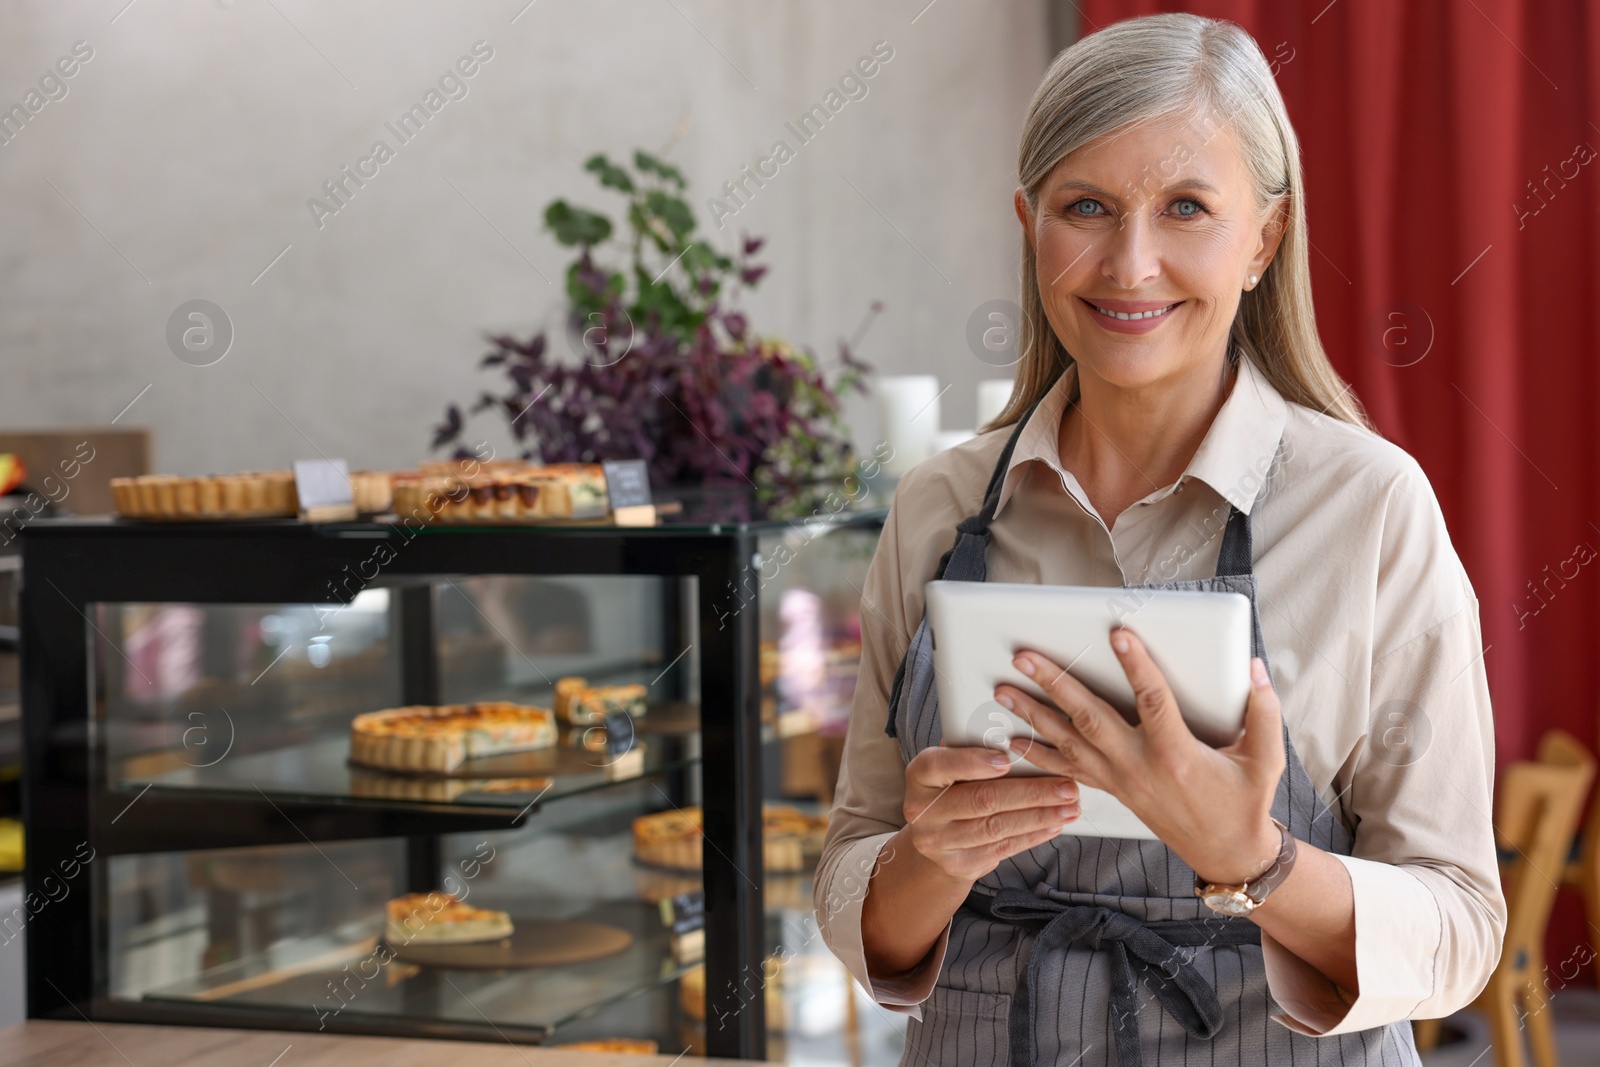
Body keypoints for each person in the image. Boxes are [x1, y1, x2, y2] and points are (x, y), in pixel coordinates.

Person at [814, 13, 1505, 1067]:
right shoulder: (935, 507)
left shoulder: (1370, 508)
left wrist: (1254, 859)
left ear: (1263, 237)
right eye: (1084, 206)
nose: (1129, 263)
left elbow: (1460, 927)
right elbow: (852, 883)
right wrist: (928, 859)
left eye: (1185, 206)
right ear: (1028, 224)